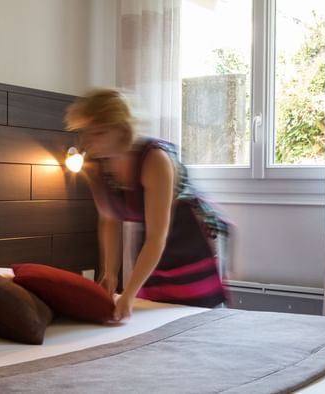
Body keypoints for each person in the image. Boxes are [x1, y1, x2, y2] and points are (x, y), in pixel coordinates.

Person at [64, 88, 230, 322]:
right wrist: (109, 275)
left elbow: (156, 238)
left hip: (194, 233)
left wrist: (129, 294)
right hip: (154, 235)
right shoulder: (95, 164)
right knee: (155, 309)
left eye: (99, 133)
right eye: (86, 133)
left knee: (197, 315)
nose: (88, 142)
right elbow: (109, 219)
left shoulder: (154, 159)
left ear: (122, 130)